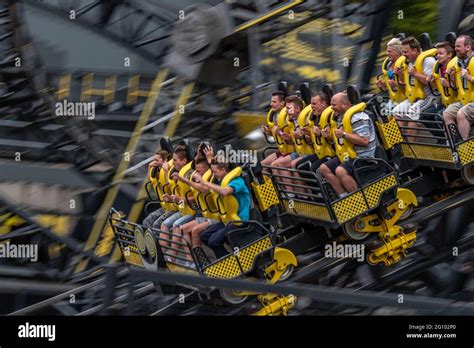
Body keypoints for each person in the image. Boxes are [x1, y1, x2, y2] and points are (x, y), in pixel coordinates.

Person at [320, 93, 377, 197]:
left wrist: (344, 134)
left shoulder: (358, 117)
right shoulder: (340, 118)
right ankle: (344, 197)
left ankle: (359, 199)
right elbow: (341, 139)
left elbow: (364, 141)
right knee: (324, 168)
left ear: (345, 105)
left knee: (340, 170)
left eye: (334, 105)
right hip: (348, 154)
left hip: (364, 156)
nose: (331, 107)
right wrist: (329, 136)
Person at [195, 160, 251, 259]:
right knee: (204, 236)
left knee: (214, 241)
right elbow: (205, 189)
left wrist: (204, 182)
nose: (213, 174)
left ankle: (229, 263)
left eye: (215, 172)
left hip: (240, 220)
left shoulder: (237, 181)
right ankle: (227, 258)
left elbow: (225, 192)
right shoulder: (221, 182)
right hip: (228, 219)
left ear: (223, 170)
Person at [393, 37, 439, 142]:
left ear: (415, 50)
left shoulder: (428, 61)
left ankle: (412, 148)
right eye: (402, 52)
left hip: (430, 96)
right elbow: (407, 84)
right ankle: (400, 145)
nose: (403, 54)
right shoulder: (409, 62)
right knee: (396, 112)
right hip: (415, 97)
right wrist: (400, 75)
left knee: (412, 113)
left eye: (405, 52)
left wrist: (415, 74)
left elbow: (430, 82)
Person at [442, 35, 474, 140]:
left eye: (458, 46)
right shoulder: (458, 64)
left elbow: (468, 80)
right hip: (465, 101)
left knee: (461, 113)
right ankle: (454, 144)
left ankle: (464, 149)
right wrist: (451, 77)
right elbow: (456, 87)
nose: (455, 49)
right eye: (455, 46)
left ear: (468, 47)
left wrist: (469, 77)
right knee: (447, 113)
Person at [142, 149, 170, 229]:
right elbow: (150, 181)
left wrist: (166, 171)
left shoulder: (168, 170)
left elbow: (169, 187)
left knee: (156, 224)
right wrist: (149, 168)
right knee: (146, 222)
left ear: (165, 160)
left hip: (173, 207)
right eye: (154, 160)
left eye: (157, 160)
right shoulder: (157, 170)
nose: (154, 162)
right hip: (164, 206)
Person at [261, 91, 287, 168]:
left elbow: (289, 136)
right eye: (271, 101)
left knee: (274, 165)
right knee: (261, 165)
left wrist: (279, 132)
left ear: (282, 103)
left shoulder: (287, 116)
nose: (271, 104)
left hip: (290, 150)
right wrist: (268, 131)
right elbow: (277, 134)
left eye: (274, 102)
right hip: (282, 150)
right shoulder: (275, 116)